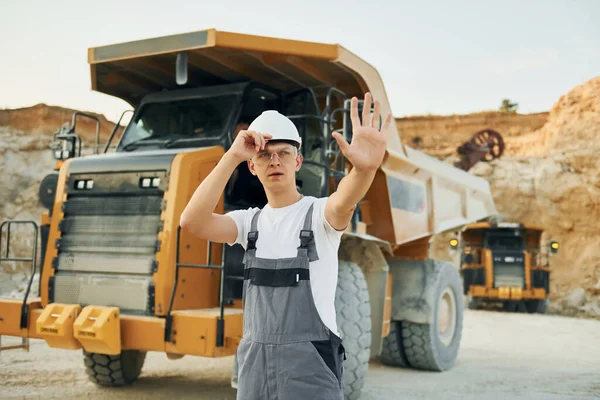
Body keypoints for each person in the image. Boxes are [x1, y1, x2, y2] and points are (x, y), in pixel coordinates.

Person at [180, 93, 391, 400]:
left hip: (311, 372)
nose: (275, 161)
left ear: (298, 161)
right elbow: (192, 221)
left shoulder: (320, 216)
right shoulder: (247, 224)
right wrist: (232, 156)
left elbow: (345, 199)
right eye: (265, 155)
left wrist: (364, 171)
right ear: (253, 167)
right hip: (255, 372)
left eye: (284, 153)